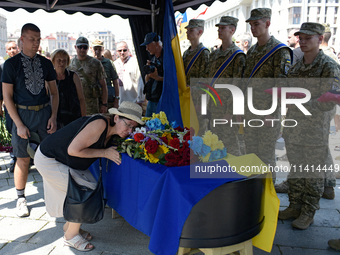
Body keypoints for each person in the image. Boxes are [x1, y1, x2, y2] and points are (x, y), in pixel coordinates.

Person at [34, 101, 144, 251]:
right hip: (49, 159)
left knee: (90, 186)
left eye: (134, 127)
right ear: (116, 118)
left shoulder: (113, 132)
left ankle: (70, 227)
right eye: (128, 124)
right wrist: (104, 152)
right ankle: (70, 237)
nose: (130, 130)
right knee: (85, 190)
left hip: (65, 160)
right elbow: (73, 150)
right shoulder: (100, 124)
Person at [278, 22, 340, 230]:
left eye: (307, 38)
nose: (302, 42)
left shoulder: (328, 66)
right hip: (294, 128)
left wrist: (299, 101)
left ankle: (308, 212)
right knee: (295, 170)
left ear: (319, 39)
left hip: (314, 130)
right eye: (300, 38)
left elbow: (330, 101)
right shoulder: (297, 66)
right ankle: (294, 206)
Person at [2, 23, 59, 217]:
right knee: (23, 158)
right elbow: (7, 97)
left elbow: (54, 92)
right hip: (22, 115)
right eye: (32, 39)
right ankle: (21, 198)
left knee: (48, 157)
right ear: (22, 39)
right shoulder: (11, 64)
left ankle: (53, 195)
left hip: (44, 114)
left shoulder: (45, 63)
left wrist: (53, 116)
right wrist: (18, 124)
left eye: (38, 39)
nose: (36, 43)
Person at [243, 8, 292, 182]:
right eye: (251, 25)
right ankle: (252, 195)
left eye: (256, 24)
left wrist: (272, 114)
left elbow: (282, 86)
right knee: (251, 155)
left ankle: (267, 198)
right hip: (250, 112)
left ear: (268, 23)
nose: (253, 28)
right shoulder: (253, 51)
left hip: (267, 114)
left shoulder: (280, 51)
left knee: (266, 157)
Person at [205, 16, 246, 155]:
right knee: (215, 146)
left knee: (232, 146)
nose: (219, 30)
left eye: (223, 28)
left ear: (232, 30)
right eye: (219, 28)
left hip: (227, 110)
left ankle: (236, 176)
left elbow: (237, 87)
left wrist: (229, 112)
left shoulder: (237, 56)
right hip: (213, 107)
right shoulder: (214, 55)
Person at [68, 36, 108, 115]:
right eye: (80, 47)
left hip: (91, 104)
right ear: (75, 47)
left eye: (84, 47)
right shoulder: (69, 64)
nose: (82, 49)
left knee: (92, 125)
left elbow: (103, 85)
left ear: (88, 48)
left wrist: (104, 104)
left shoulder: (96, 63)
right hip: (75, 103)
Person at [51, 49, 86, 128]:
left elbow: (81, 99)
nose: (62, 63)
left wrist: (84, 118)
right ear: (53, 61)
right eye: (59, 60)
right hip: (56, 119)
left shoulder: (74, 76)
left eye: (64, 60)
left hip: (74, 117)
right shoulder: (50, 78)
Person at [0, 41, 20, 173]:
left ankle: (26, 158)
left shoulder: (23, 64)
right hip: (9, 105)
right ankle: (14, 158)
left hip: (24, 105)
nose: (12, 50)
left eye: (14, 48)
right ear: (6, 52)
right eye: (9, 49)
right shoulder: (3, 67)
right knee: (11, 129)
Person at [140, 33, 164, 117]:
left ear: (157, 44)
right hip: (152, 99)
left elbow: (174, 79)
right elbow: (148, 80)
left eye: (148, 45)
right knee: (148, 127)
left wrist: (158, 78)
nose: (147, 49)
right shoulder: (153, 59)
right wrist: (149, 73)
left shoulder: (168, 58)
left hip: (163, 99)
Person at [114, 41, 144, 107]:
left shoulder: (135, 63)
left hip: (133, 102)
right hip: (119, 103)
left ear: (128, 50)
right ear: (116, 51)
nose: (122, 52)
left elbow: (140, 82)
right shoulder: (115, 64)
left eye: (124, 50)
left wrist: (140, 99)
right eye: (120, 50)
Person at [91, 39, 119, 108]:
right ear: (91, 49)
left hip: (107, 99)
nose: (97, 52)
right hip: (93, 99)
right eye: (95, 49)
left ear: (102, 49)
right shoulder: (89, 63)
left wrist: (116, 99)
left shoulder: (108, 63)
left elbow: (115, 81)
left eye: (99, 49)